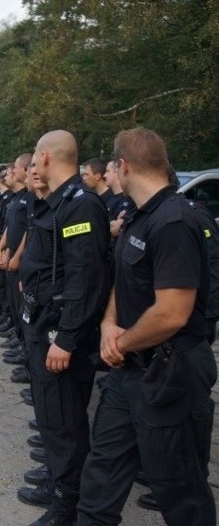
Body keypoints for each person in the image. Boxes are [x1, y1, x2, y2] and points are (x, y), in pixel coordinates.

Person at [78, 128, 216, 525]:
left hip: (169, 375)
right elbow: (125, 279)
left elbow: (173, 312)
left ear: (122, 166)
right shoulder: (139, 216)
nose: (107, 175)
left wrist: (122, 342)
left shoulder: (174, 221)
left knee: (181, 492)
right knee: (101, 476)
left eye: (110, 167)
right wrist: (108, 324)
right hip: (130, 371)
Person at [18, 131, 111, 525]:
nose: (33, 168)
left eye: (36, 160)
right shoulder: (56, 203)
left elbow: (85, 280)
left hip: (61, 335)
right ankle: (58, 481)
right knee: (51, 417)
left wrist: (68, 338)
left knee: (66, 422)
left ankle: (67, 503)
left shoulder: (81, 207)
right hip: (41, 326)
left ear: (44, 157)